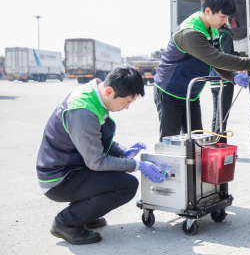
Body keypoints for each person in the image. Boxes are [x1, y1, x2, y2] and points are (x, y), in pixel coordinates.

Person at [36, 66, 166, 245]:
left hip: (70, 168)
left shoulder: (93, 93)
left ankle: (85, 215)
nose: (126, 107)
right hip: (59, 179)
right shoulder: (83, 111)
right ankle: (66, 222)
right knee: (126, 184)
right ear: (109, 91)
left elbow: (93, 140)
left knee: (116, 176)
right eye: (126, 102)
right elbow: (96, 161)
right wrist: (137, 165)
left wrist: (122, 152)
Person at [153, 0, 250, 141]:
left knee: (195, 142)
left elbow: (215, 62)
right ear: (208, 11)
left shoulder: (212, 29)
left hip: (190, 94)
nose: (226, 22)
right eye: (223, 16)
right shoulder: (191, 33)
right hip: (169, 92)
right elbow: (217, 59)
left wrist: (232, 76)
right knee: (170, 143)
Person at [209, 17, 237, 134]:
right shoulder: (225, 34)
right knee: (222, 117)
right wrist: (236, 55)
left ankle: (214, 144)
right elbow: (227, 57)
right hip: (224, 80)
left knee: (216, 115)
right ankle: (219, 145)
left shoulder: (211, 34)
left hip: (213, 79)